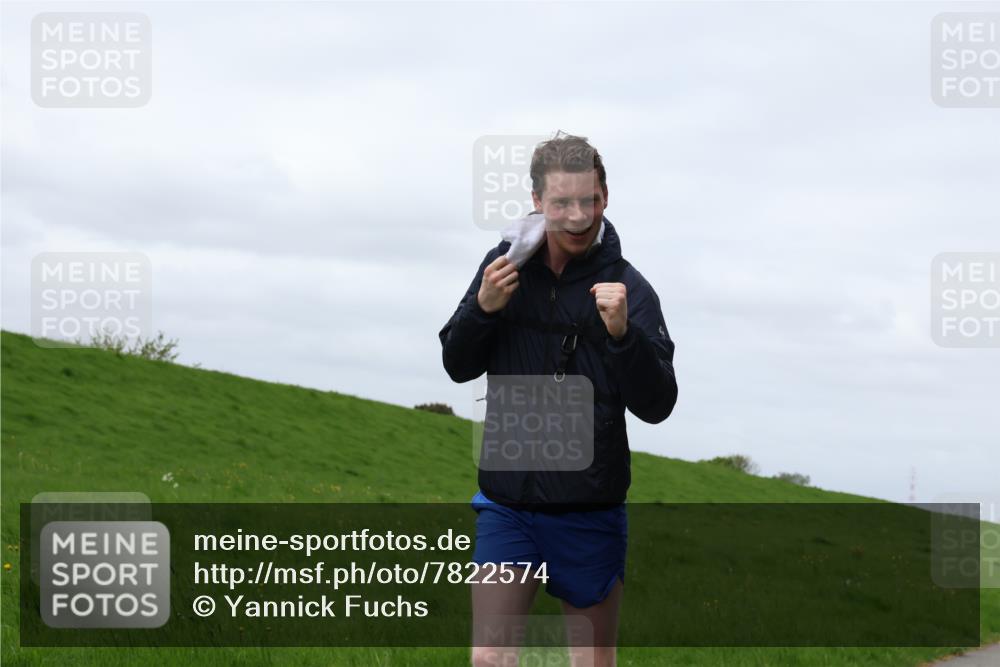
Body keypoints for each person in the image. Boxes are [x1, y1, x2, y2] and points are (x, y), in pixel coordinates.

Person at [439, 133, 678, 667]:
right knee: (489, 659)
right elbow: (457, 365)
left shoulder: (629, 289)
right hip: (508, 506)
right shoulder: (503, 267)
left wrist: (622, 337)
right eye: (562, 202)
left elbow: (658, 403)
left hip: (588, 510)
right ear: (536, 200)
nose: (576, 216)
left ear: (606, 196)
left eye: (588, 200)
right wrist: (484, 308)